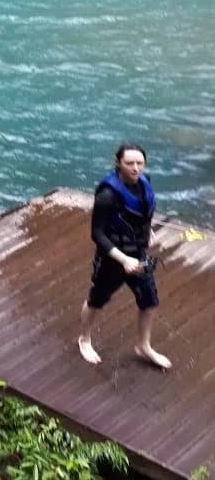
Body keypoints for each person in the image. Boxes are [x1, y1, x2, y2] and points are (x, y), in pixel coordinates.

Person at [78, 143, 171, 370]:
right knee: (96, 300)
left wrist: (146, 229)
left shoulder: (145, 182)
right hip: (112, 258)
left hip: (138, 254)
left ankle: (144, 345)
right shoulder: (107, 195)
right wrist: (123, 260)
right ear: (118, 162)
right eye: (130, 163)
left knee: (149, 300)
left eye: (140, 163)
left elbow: (143, 210)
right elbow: (97, 234)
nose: (135, 168)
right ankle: (85, 339)